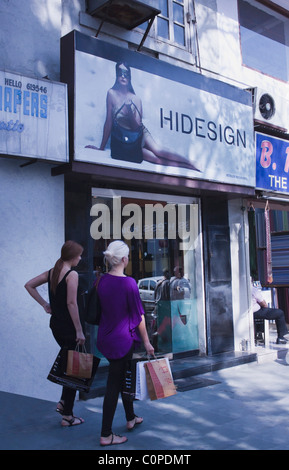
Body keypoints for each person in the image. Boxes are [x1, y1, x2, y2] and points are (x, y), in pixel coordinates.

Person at [86, 61, 200, 171]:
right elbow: (109, 121)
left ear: (130, 77)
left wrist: (130, 112)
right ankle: (187, 167)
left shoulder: (136, 99)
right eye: (120, 73)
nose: (123, 76)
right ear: (116, 75)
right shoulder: (111, 93)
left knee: (157, 150)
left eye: (126, 74)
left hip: (139, 133)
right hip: (124, 138)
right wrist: (101, 148)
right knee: (156, 160)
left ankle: (190, 162)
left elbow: (136, 127)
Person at [96, 240, 155, 447]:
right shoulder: (129, 283)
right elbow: (139, 316)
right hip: (123, 340)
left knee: (122, 377)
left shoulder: (101, 281)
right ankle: (106, 434)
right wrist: (147, 342)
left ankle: (130, 417)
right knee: (114, 383)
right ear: (124, 259)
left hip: (106, 337)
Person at [24, 240, 86, 427]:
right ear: (73, 257)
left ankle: (64, 405)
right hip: (68, 328)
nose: (81, 258)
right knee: (76, 368)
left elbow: (29, 285)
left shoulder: (53, 272)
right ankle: (67, 414)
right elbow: (71, 303)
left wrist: (45, 304)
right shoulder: (71, 274)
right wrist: (79, 330)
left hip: (56, 326)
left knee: (73, 366)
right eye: (79, 255)